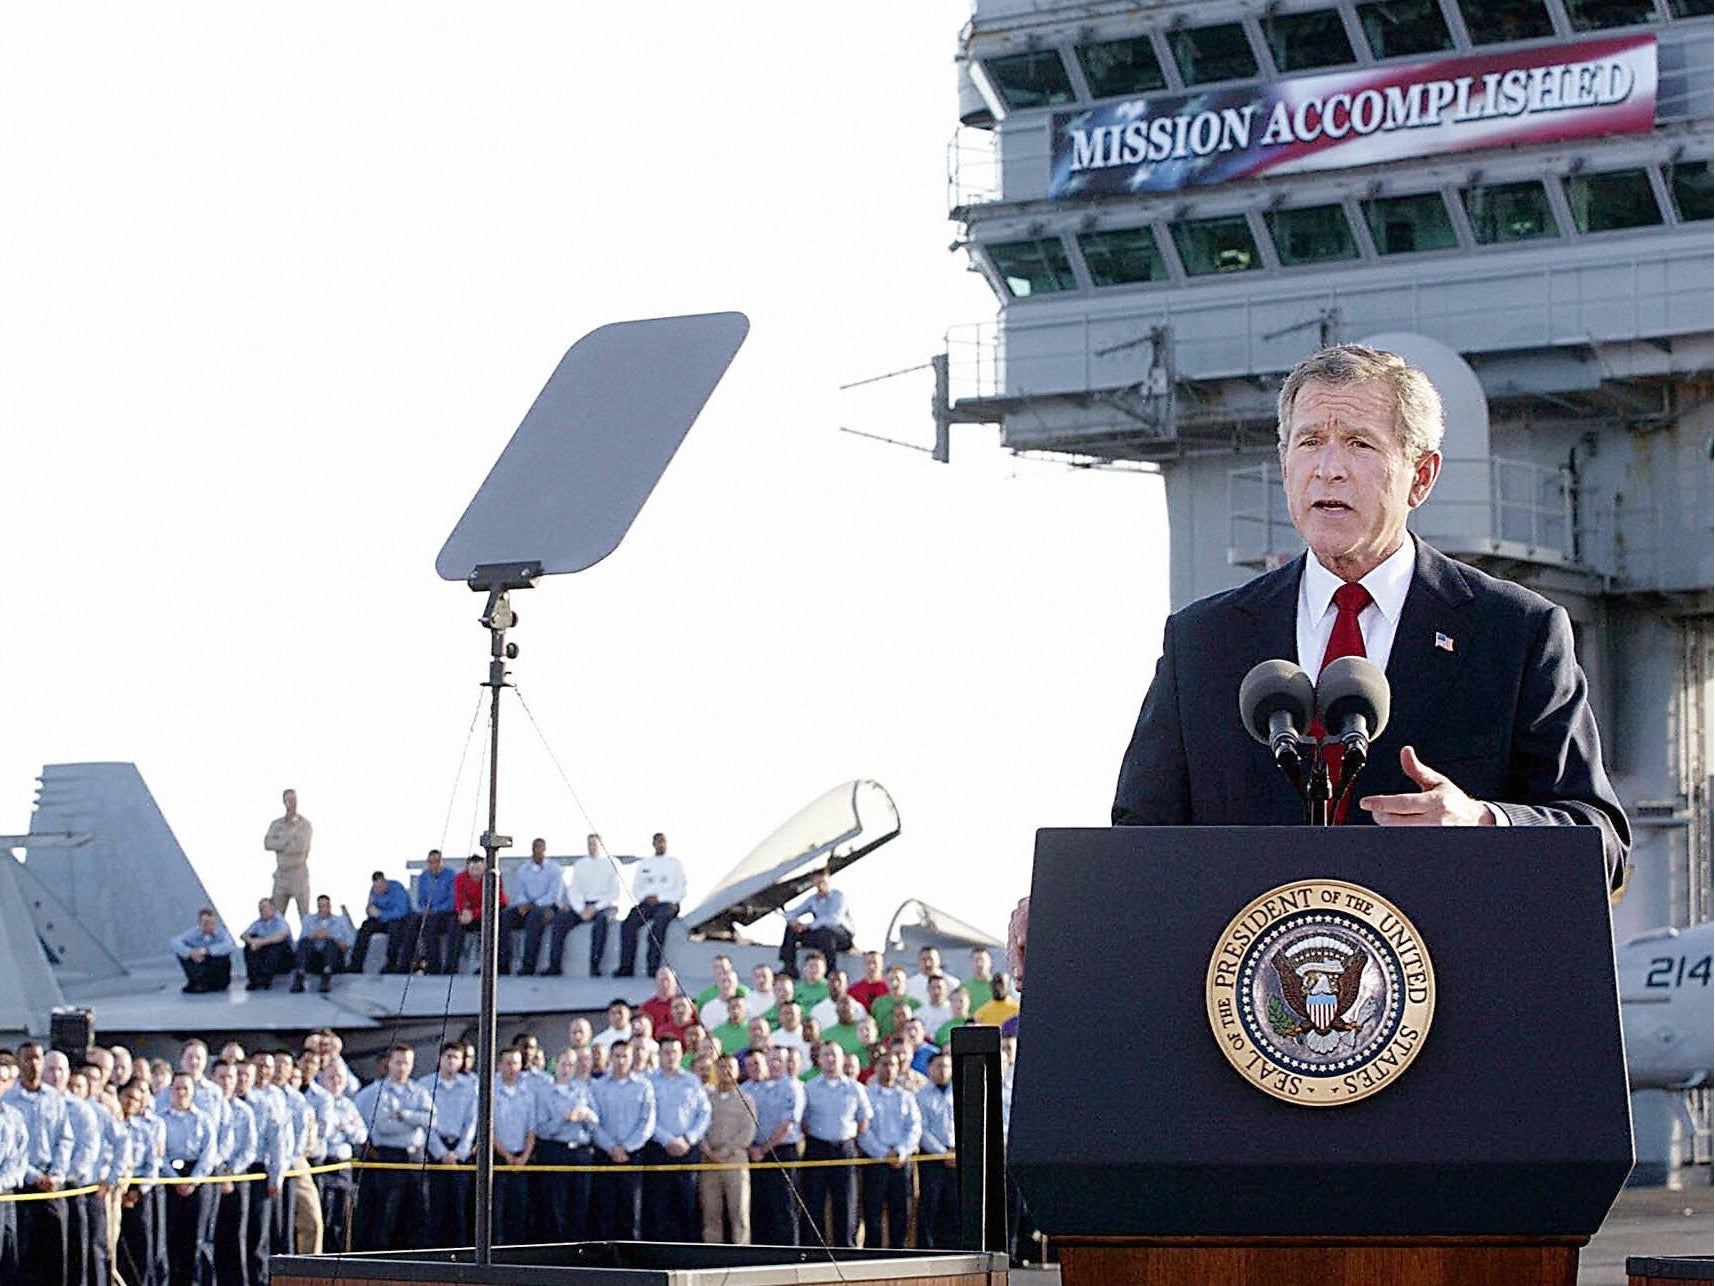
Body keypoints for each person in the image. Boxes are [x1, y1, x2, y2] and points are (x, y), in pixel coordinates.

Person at [1031, 343, 1631, 966]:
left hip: (1449, 1013)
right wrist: (1064, 905)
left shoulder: (1516, 633)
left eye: (1360, 444)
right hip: (1249, 1020)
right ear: (1285, 462)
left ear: (1420, 476)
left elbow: (1603, 845)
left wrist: (1484, 825)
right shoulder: (1204, 642)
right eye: (1309, 441)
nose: (1329, 468)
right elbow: (1140, 843)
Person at [354, 1045, 432, 1251]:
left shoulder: (419, 1091)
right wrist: (416, 1121)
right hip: (390, 1155)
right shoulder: (378, 1091)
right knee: (387, 1209)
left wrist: (405, 1115)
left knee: (417, 1208)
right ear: (389, 1063)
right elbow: (384, 1126)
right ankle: (383, 1255)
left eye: (406, 1063)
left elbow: (432, 1119)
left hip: (415, 1156)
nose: (402, 1067)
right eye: (398, 1062)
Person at [799, 1041, 872, 1249]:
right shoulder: (810, 1087)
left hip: (844, 1149)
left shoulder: (855, 1088)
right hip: (817, 1147)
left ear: (843, 1059)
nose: (830, 1059)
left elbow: (863, 1121)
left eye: (834, 1055)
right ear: (819, 1060)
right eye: (826, 1055)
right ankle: (814, 1249)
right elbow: (804, 1121)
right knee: (814, 1202)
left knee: (846, 1202)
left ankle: (846, 1248)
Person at [643, 1034, 711, 1242]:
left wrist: (688, 1139)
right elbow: (646, 1116)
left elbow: (704, 1113)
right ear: (659, 1055)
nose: (670, 1057)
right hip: (658, 1151)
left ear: (682, 1055)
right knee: (658, 1206)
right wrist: (667, 1140)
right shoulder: (649, 1082)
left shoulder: (692, 1081)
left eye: (674, 1052)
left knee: (688, 1204)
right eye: (666, 1052)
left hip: (687, 1151)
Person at [533, 1048, 599, 1243]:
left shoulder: (582, 1089)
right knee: (555, 1204)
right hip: (556, 1150)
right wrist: (563, 1119)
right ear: (555, 1065)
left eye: (571, 1065)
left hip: (580, 1151)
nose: (566, 1069)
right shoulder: (544, 1092)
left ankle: (577, 1244)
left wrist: (585, 1114)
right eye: (563, 1064)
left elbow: (596, 1121)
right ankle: (556, 1244)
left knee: (580, 1203)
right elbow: (541, 1129)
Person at [592, 1041, 655, 1241]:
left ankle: (632, 1258)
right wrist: (611, 1147)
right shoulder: (598, 1086)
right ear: (610, 1058)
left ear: (632, 1059)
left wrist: (626, 1148)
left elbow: (647, 1121)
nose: (620, 1061)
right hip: (605, 1155)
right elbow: (593, 1122)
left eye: (624, 1056)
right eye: (617, 1056)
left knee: (631, 1209)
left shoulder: (643, 1086)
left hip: (633, 1155)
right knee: (605, 1209)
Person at [857, 1049, 920, 1250]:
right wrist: (883, 1153)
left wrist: (901, 1151)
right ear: (876, 1068)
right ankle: (872, 1252)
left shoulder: (907, 1096)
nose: (888, 1069)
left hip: (901, 1162)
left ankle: (898, 1251)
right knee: (872, 1210)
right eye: (884, 1065)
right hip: (875, 1162)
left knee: (901, 1209)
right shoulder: (867, 1095)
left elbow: (914, 1126)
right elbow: (863, 1130)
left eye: (892, 1064)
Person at [744, 1046, 805, 1247]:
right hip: (755, 1154)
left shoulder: (792, 1087)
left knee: (784, 1205)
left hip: (782, 1152)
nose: (775, 1064)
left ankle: (789, 1253)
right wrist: (753, 1148)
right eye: (771, 1059)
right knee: (760, 1205)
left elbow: (788, 1124)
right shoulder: (753, 1088)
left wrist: (764, 1148)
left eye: (780, 1060)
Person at [421, 1042, 477, 1246]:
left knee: (460, 1207)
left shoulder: (471, 1087)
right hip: (435, 1152)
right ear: (440, 1059)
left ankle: (460, 1251)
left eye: (456, 1057)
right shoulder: (425, 1085)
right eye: (448, 1056)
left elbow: (472, 1122)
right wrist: (441, 1153)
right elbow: (425, 1123)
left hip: (460, 1153)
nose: (451, 1061)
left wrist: (459, 1152)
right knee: (436, 1206)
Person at [700, 1054, 755, 1245]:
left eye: (730, 1067)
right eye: (722, 1068)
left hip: (735, 1160)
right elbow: (700, 1127)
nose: (726, 1072)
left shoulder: (746, 1099)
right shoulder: (707, 1098)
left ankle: (742, 1252)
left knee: (738, 1212)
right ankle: (713, 1252)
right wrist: (707, 1150)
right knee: (711, 1212)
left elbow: (748, 1131)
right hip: (709, 1161)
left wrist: (726, 1151)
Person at [550, 833, 621, 976]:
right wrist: (581, 909)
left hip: (603, 906)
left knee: (601, 922)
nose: (592, 847)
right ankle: (554, 965)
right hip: (582, 906)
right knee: (560, 919)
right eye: (589, 844)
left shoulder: (612, 863)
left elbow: (613, 893)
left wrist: (595, 908)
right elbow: (574, 890)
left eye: (595, 844)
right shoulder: (580, 865)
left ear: (601, 845)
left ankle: (594, 966)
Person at [616, 832, 686, 977]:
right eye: (657, 842)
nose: (660, 845)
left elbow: (680, 889)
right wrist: (645, 897)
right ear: (653, 844)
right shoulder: (644, 864)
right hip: (647, 902)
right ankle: (626, 967)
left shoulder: (675, 863)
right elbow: (636, 887)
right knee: (629, 924)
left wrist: (660, 897)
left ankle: (653, 968)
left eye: (663, 842)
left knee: (658, 926)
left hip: (668, 903)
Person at [489, 1049, 536, 1244]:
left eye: (516, 1063)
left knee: (518, 1209)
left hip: (521, 1160)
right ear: (499, 1065)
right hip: (498, 1158)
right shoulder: (490, 1090)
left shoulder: (527, 1092)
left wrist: (524, 1157)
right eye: (508, 1063)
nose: (512, 1068)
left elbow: (531, 1130)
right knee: (495, 1209)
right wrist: (507, 1156)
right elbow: (488, 1129)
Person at [915, 1051, 958, 1248]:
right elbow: (921, 1130)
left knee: (954, 1205)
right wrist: (942, 1152)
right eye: (938, 1066)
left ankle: (953, 1247)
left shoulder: (960, 1092)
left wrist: (956, 1151)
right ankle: (929, 1248)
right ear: (929, 1069)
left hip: (958, 1157)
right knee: (931, 1205)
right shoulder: (921, 1096)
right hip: (932, 1158)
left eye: (947, 1066)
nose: (943, 1071)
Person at [779, 869, 856, 977]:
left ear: (828, 881)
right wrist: (792, 921)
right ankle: (789, 967)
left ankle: (829, 972)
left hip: (842, 936)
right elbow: (795, 912)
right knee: (791, 930)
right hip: (820, 934)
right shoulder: (813, 899)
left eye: (822, 883)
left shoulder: (838, 897)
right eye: (817, 883)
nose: (820, 886)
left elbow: (833, 919)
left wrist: (808, 926)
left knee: (826, 933)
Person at [503, 837, 562, 975]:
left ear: (545, 850)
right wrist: (523, 904)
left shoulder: (554, 869)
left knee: (534, 919)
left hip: (547, 906)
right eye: (535, 848)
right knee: (504, 917)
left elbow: (553, 895)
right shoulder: (523, 869)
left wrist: (533, 905)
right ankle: (502, 964)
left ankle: (528, 965)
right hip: (526, 906)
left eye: (541, 848)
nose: (538, 851)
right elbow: (519, 891)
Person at [449, 854, 509, 974]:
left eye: (479, 869)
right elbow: (459, 898)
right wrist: (463, 912)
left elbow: (496, 901)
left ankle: (497, 966)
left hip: (489, 912)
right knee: (454, 923)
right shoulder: (460, 878)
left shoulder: (493, 877)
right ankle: (451, 965)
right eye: (473, 869)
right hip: (469, 915)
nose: (476, 873)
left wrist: (474, 914)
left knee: (497, 924)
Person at [349, 870, 416, 975]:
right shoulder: (373, 890)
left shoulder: (397, 888)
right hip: (382, 920)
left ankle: (391, 964)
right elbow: (371, 906)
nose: (378, 890)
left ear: (385, 882)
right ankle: (355, 965)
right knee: (365, 928)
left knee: (395, 929)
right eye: (376, 887)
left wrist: (381, 915)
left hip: (399, 920)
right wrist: (369, 910)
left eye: (380, 887)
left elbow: (402, 911)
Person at [263, 787, 314, 923]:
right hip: (281, 875)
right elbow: (268, 843)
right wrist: (287, 841)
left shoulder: (304, 825)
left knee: (304, 915)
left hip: (299, 873)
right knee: (276, 916)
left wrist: (280, 844)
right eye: (289, 800)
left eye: (294, 800)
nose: (292, 803)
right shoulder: (276, 824)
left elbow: (300, 847)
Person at [293, 894, 355, 992]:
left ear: (330, 907)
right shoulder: (309, 920)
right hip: (315, 959)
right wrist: (313, 936)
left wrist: (330, 936)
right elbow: (299, 945)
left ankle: (326, 977)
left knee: (331, 943)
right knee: (305, 942)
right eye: (320, 906)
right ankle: (299, 975)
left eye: (325, 906)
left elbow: (348, 945)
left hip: (334, 960)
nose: (323, 909)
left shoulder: (341, 921)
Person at [414, 849, 459, 974]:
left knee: (451, 925)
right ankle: (426, 964)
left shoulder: (451, 875)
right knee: (417, 924)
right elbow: (421, 900)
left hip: (447, 913)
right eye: (431, 862)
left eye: (437, 861)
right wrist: (425, 909)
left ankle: (449, 967)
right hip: (430, 914)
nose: (434, 865)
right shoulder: (424, 877)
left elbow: (452, 901)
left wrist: (435, 910)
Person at [170, 908, 236, 994]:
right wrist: (190, 952)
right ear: (200, 923)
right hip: (199, 962)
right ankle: (197, 982)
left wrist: (207, 950)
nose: (209, 926)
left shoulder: (221, 933)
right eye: (205, 923)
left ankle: (211, 983)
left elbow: (229, 945)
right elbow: (175, 942)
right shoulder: (193, 933)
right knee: (182, 955)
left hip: (217, 969)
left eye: (211, 923)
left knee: (222, 956)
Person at [239, 898, 295, 990]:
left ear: (272, 908)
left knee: (276, 946)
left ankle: (266, 979)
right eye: (260, 909)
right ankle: (253, 979)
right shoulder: (259, 922)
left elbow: (282, 935)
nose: (261, 911)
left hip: (284, 956)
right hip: (265, 950)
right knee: (249, 946)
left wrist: (261, 942)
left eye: (263, 908)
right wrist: (252, 942)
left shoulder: (280, 921)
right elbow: (243, 935)